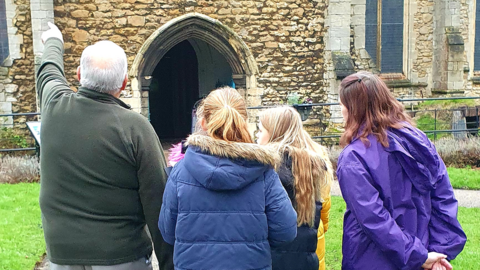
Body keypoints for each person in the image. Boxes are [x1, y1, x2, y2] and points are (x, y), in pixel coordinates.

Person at [37, 23, 173, 270]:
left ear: (79, 75)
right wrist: (169, 264)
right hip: (123, 258)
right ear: (123, 83)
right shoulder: (136, 128)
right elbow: (158, 203)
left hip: (63, 257)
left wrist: (54, 41)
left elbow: (48, 72)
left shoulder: (54, 106)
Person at [337, 71, 467, 270]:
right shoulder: (419, 139)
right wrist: (433, 254)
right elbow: (443, 197)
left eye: (343, 105)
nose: (341, 111)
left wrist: (430, 256)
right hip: (417, 252)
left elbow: (374, 219)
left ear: (353, 109)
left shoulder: (354, 157)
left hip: (374, 259)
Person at [158, 87, 298, 270]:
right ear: (244, 122)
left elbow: (168, 232)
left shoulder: (181, 172)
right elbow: (286, 231)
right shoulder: (263, 173)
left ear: (203, 123)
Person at [257, 106, 334, 270]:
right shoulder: (313, 166)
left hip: (272, 258)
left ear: (274, 133)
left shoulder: (265, 168)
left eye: (261, 130)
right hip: (306, 257)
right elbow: (324, 209)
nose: (257, 135)